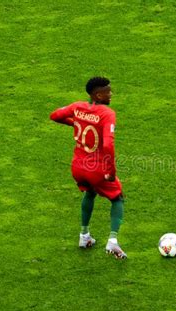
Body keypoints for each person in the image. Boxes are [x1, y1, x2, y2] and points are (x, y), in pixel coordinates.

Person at [50, 76, 127, 259]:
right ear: (98, 95)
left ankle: (84, 236)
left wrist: (76, 123)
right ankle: (113, 242)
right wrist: (111, 172)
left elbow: (54, 115)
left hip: (77, 167)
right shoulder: (107, 114)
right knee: (118, 198)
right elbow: (108, 146)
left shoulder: (78, 107)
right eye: (108, 91)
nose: (111, 94)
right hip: (96, 169)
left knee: (90, 192)